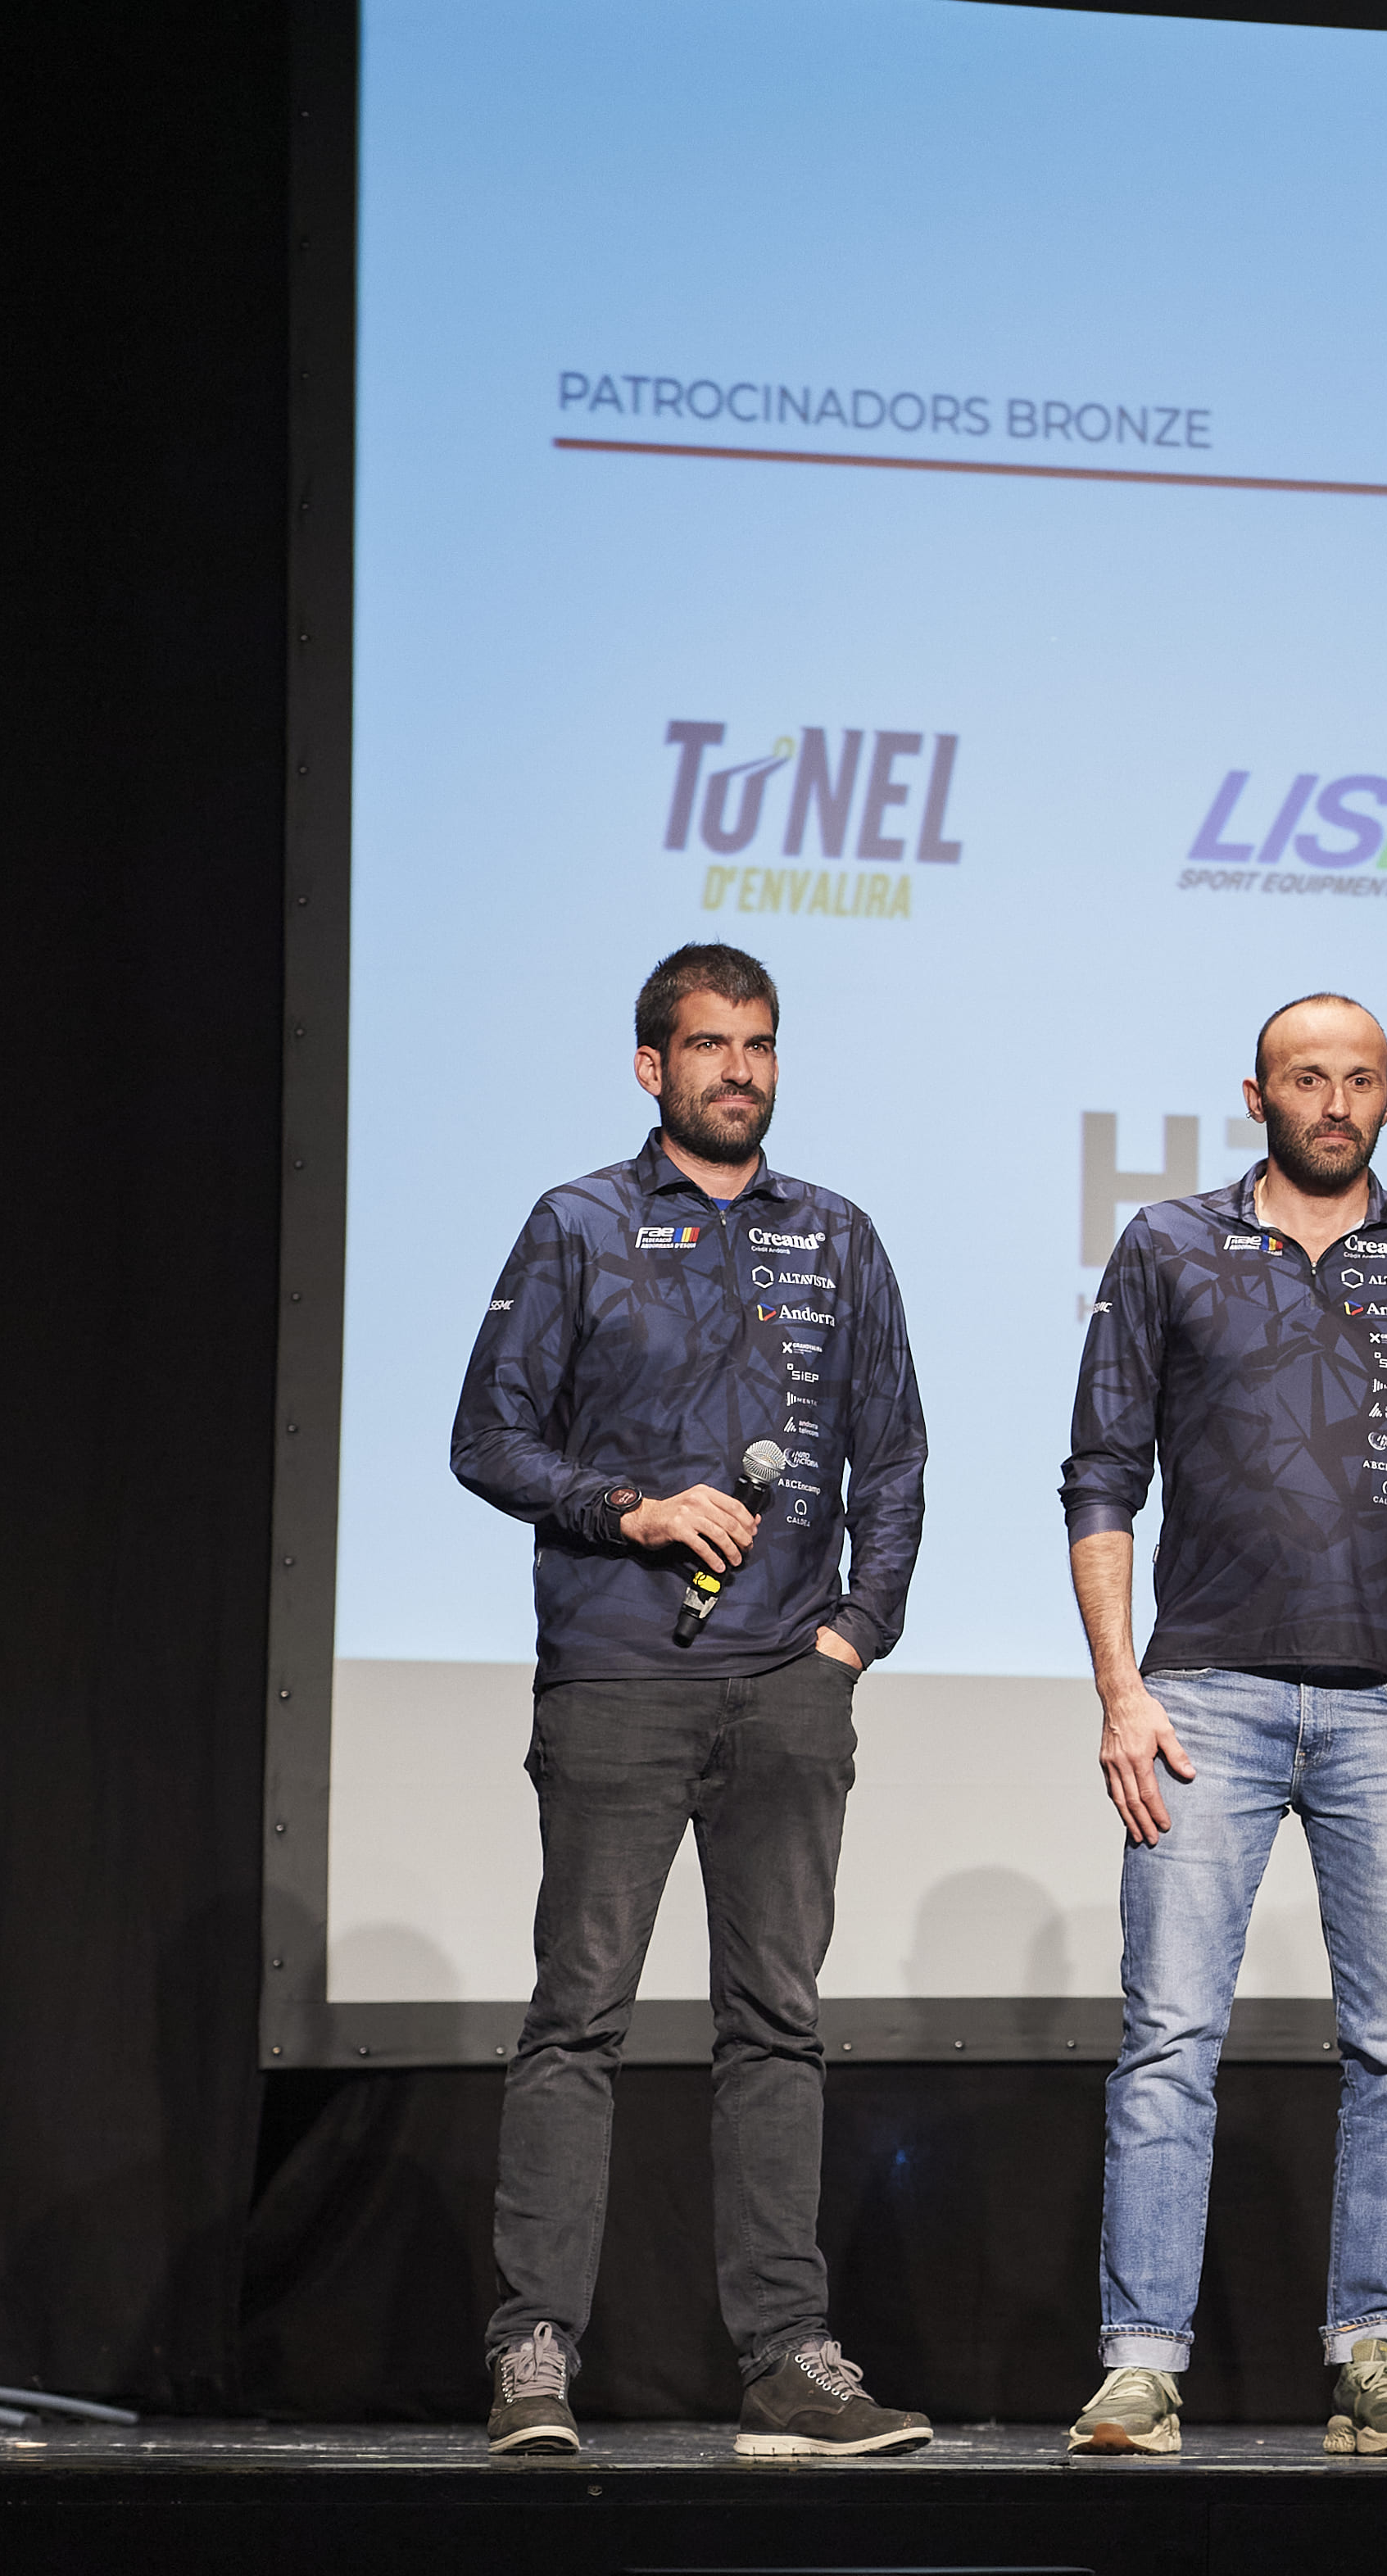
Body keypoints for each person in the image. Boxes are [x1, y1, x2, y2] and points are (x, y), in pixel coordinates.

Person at [452, 941, 932, 2460]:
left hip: (788, 1686)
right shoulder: (580, 1223)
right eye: (713, 1045)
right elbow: (486, 1439)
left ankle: (787, 2362)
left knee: (777, 2024)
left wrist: (854, 1636)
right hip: (615, 1677)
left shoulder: (838, 1236)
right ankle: (534, 2356)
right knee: (577, 2021)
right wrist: (633, 1509)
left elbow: (895, 1458)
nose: (741, 1070)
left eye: (761, 1045)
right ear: (652, 1065)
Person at [1058, 993, 1387, 2459]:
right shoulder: (1169, 1245)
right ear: (1257, 1094)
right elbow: (1101, 1475)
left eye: (1362, 1080)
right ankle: (1141, 2368)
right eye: (1309, 1078)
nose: (1336, 1102)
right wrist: (1120, 1691)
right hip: (1202, 1697)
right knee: (1168, 2039)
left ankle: (1376, 2357)